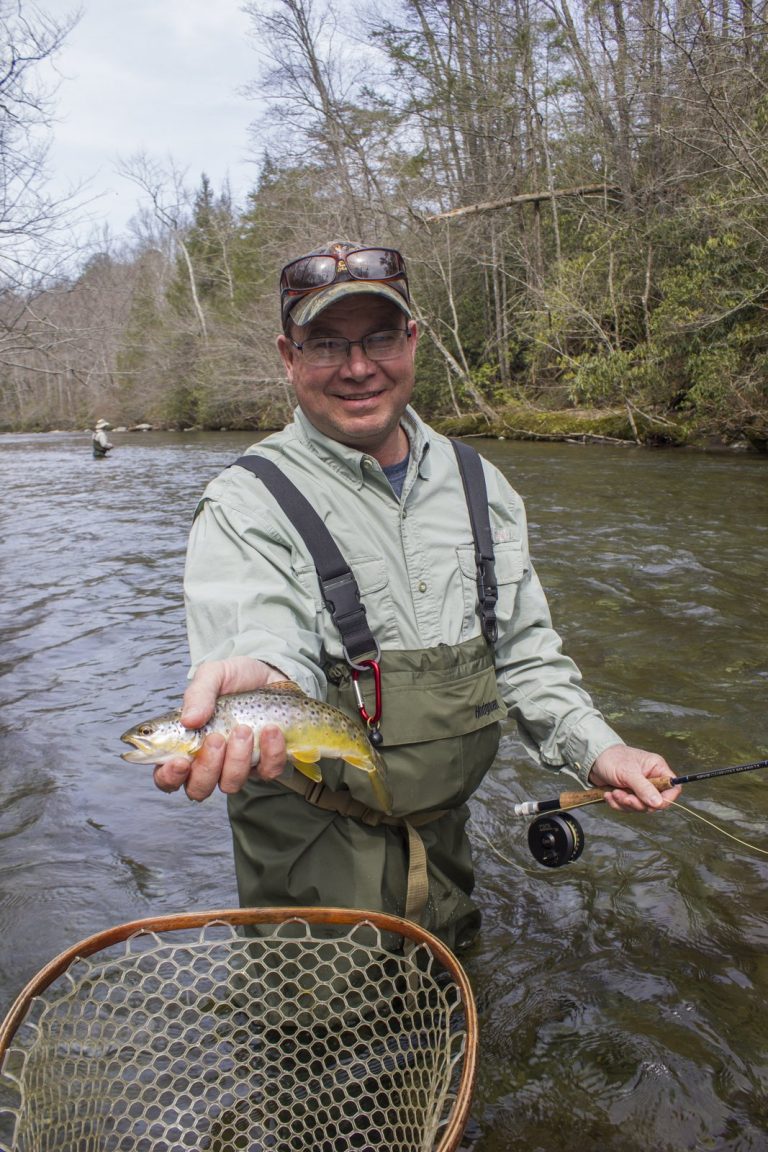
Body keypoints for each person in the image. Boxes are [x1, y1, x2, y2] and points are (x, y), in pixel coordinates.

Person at [154, 240, 680, 951]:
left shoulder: (480, 485)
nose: (358, 366)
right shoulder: (245, 503)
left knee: (455, 1016)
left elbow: (523, 657)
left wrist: (599, 751)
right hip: (311, 864)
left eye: (377, 337)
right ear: (289, 357)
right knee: (316, 1051)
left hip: (445, 847)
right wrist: (269, 681)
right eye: (326, 344)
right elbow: (257, 633)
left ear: (412, 340)